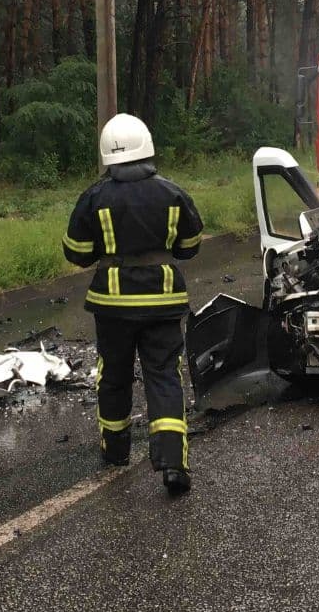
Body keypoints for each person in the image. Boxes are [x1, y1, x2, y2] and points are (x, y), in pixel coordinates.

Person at [62, 113, 204, 495]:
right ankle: (174, 464)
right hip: (164, 301)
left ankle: (116, 452)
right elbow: (190, 247)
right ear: (147, 146)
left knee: (114, 375)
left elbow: (75, 252)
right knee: (163, 375)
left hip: (112, 306)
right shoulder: (173, 193)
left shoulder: (94, 196)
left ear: (108, 152)